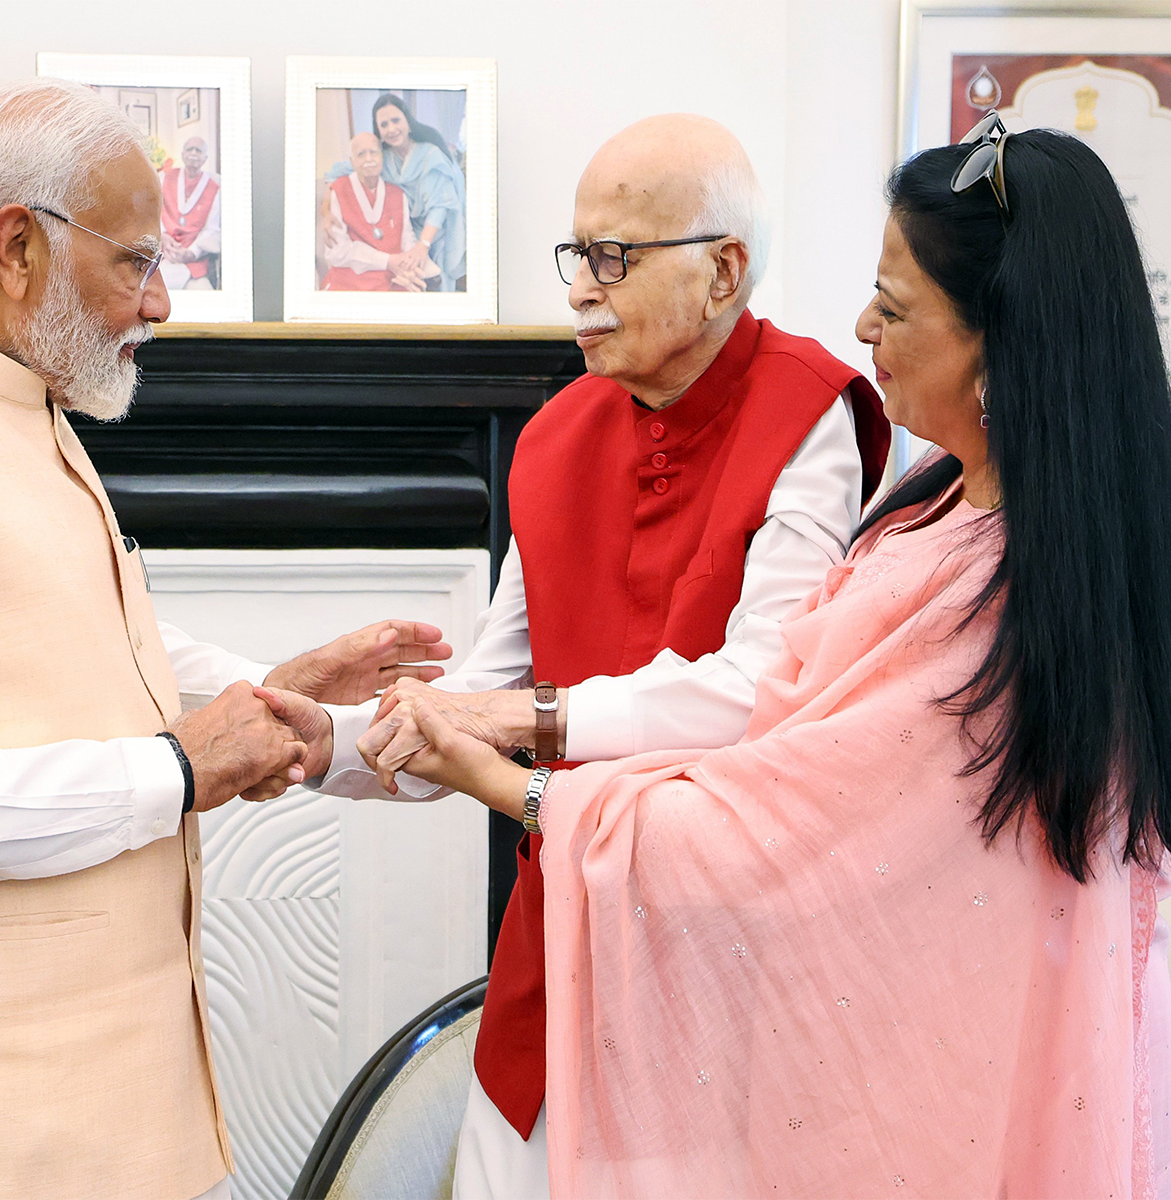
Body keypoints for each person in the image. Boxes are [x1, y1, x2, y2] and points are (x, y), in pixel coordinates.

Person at [389, 119, 1171, 1198]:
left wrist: (506, 764)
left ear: (1002, 346)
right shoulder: (942, 509)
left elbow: (767, 802)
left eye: (896, 307)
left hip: (943, 1062)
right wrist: (364, 731)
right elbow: (778, 706)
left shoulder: (986, 581)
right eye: (578, 255)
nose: (863, 322)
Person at [0, 78, 449, 1200]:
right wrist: (178, 769)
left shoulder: (6, 392)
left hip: (67, 1123)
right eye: (136, 261)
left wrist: (262, 693)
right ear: (17, 246)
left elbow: (61, 630)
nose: (159, 301)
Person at [278, 114, 889, 1200]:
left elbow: (761, 695)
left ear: (722, 271)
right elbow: (485, 685)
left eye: (614, 257)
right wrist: (322, 742)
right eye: (577, 255)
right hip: (557, 930)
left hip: (729, 955)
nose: (580, 289)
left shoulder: (810, 413)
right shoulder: (554, 436)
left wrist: (529, 723)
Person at [325, 93, 468, 291]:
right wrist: (326, 207)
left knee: (433, 283)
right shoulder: (383, 157)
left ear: (408, 122)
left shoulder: (430, 155)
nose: (391, 129)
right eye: (384, 125)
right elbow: (340, 171)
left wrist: (422, 246)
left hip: (435, 234)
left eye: (396, 120)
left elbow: (440, 206)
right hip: (407, 235)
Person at [322, 132, 438, 292]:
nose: (369, 159)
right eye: (361, 154)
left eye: (374, 152)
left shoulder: (397, 193)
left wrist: (409, 263)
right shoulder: (340, 190)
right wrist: (387, 261)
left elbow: (407, 238)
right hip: (351, 280)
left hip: (393, 277)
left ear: (382, 157)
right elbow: (336, 252)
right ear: (352, 162)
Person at [158, 135, 220, 291]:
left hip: (193, 259)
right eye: (189, 149)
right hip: (163, 251)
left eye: (198, 151)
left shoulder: (215, 187)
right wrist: (162, 236)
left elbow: (212, 229)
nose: (193, 153)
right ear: (183, 154)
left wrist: (192, 253)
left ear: (205, 158)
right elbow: (153, 213)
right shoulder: (164, 177)